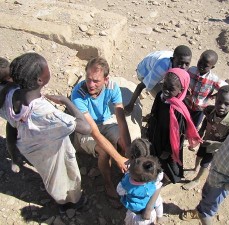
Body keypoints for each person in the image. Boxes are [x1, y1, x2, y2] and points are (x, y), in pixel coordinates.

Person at [3, 52, 91, 213]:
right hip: (50, 149)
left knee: (48, 175)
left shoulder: (10, 93)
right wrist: (66, 101)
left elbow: (11, 124)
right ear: (39, 80)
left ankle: (62, 201)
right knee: (62, 175)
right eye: (47, 69)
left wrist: (14, 154)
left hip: (28, 145)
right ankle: (70, 202)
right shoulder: (44, 111)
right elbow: (86, 128)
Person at [71, 57, 131, 208]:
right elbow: (94, 132)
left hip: (105, 121)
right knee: (104, 152)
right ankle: (108, 184)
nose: (90, 84)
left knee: (125, 142)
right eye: (88, 79)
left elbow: (121, 119)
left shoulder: (112, 87)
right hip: (86, 130)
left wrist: (127, 148)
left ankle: (128, 176)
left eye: (96, 81)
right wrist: (117, 157)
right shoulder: (78, 94)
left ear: (106, 79)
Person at [147, 68, 202, 184]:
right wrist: (150, 128)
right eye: (164, 85)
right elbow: (154, 112)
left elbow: (178, 135)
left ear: (180, 90)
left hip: (170, 142)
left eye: (171, 88)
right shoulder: (159, 96)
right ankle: (157, 172)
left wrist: (168, 150)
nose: (166, 91)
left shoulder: (179, 110)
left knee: (169, 162)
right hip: (157, 133)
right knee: (156, 155)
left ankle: (171, 178)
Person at [182, 85, 229, 190]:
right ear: (215, 100)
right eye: (219, 102)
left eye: (226, 104)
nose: (221, 106)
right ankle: (194, 169)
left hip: (214, 148)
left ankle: (197, 179)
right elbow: (206, 121)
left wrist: (214, 145)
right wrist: (201, 131)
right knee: (199, 155)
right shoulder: (210, 111)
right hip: (205, 140)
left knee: (205, 163)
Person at [124, 45, 192, 114]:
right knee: (164, 96)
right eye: (180, 63)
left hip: (156, 61)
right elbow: (140, 86)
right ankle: (155, 115)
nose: (183, 67)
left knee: (172, 90)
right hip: (144, 71)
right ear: (172, 60)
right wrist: (130, 105)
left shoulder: (178, 65)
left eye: (187, 64)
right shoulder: (161, 69)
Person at [184, 50, 227, 130]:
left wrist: (215, 95)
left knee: (193, 126)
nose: (201, 66)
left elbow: (226, 89)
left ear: (212, 67)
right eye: (200, 62)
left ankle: (188, 136)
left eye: (205, 65)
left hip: (199, 108)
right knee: (182, 121)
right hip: (186, 103)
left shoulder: (213, 79)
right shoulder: (191, 70)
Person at [124, 138, 165, 224]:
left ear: (132, 156)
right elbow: (158, 185)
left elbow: (121, 189)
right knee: (158, 203)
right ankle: (159, 218)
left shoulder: (131, 170)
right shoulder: (153, 167)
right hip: (153, 201)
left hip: (137, 211)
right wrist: (150, 208)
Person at [117, 156, 162, 225]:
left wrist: (126, 176)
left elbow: (119, 191)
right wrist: (159, 217)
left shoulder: (127, 184)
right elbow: (158, 204)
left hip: (134, 215)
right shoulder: (153, 187)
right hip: (150, 215)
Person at [0, 57, 20, 173]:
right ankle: (15, 159)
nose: (10, 79)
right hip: (12, 118)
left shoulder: (16, 74)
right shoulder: (4, 87)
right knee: (11, 141)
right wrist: (7, 87)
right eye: (5, 79)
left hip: (24, 116)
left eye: (10, 75)